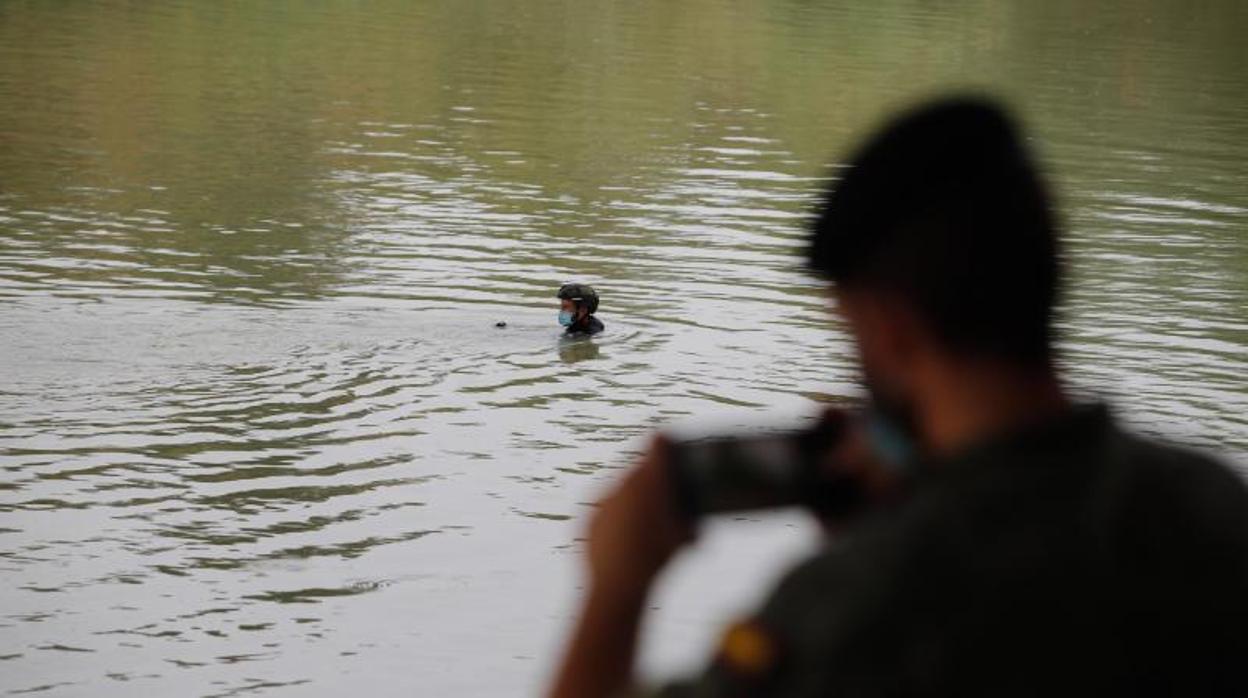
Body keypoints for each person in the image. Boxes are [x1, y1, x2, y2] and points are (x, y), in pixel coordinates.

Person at [547, 97, 1248, 698]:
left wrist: (619, 584)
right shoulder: (1214, 507)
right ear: (1052, 272)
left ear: (891, 330)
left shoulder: (854, 612)